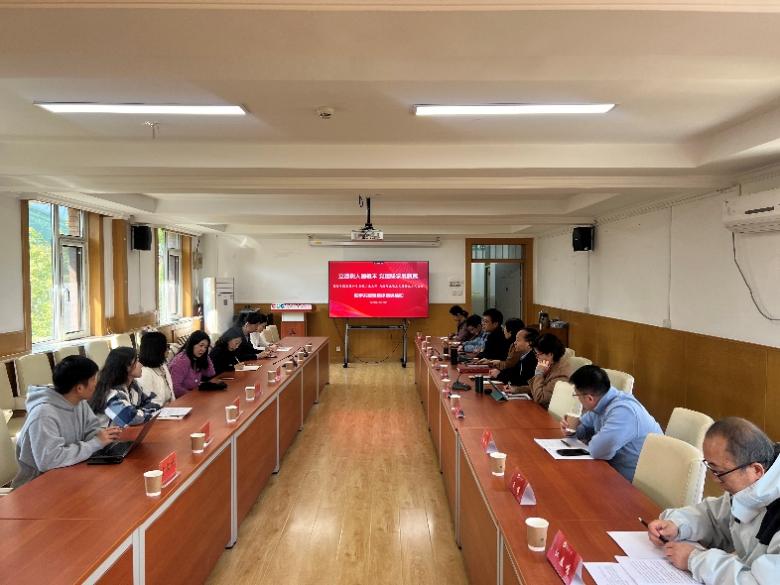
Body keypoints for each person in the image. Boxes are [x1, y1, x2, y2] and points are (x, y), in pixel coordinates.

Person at [646, 417, 780, 584]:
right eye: (710, 467)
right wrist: (677, 525)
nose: (714, 479)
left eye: (719, 472)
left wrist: (694, 559)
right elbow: (714, 518)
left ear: (756, 470)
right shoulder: (751, 488)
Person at [12, 355, 123, 488]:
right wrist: (96, 443)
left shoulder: (79, 402)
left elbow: (91, 431)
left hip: (69, 472)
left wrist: (105, 436)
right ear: (79, 388)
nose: (96, 383)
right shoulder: (43, 414)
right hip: (36, 485)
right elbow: (49, 461)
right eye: (93, 379)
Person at [563, 365, 661, 481]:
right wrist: (571, 430)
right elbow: (583, 427)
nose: (578, 400)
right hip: (611, 469)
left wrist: (590, 438)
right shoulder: (601, 402)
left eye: (577, 396)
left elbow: (597, 450)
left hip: (634, 482)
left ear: (589, 398)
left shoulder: (624, 411)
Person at [90, 347, 161, 427]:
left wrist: (137, 412)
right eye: (136, 361)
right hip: (107, 434)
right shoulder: (112, 394)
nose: (141, 365)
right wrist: (138, 412)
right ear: (126, 367)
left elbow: (155, 400)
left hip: (124, 432)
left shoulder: (133, 386)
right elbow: (131, 419)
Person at [527, 333, 572, 408]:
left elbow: (540, 398)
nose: (537, 357)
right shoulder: (551, 364)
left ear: (550, 354)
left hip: (548, 412)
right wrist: (516, 390)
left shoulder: (561, 374)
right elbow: (538, 387)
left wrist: (538, 374)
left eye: (538, 354)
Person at [168, 330, 216, 397]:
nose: (203, 349)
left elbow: (210, 373)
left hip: (193, 395)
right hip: (181, 399)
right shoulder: (181, 361)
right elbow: (175, 388)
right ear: (192, 344)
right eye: (201, 345)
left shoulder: (195, 357)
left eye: (205, 347)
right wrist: (193, 396)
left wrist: (205, 356)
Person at [138, 331, 175, 407]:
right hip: (158, 412)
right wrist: (164, 406)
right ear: (157, 350)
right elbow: (149, 405)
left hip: (171, 408)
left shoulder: (162, 365)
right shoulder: (144, 373)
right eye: (166, 346)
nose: (168, 349)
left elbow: (171, 392)